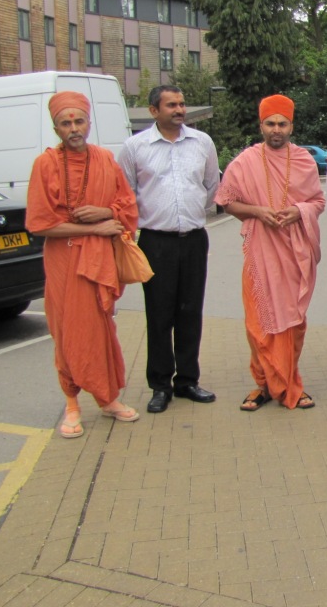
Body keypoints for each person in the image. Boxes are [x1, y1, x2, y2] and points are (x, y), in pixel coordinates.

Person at [26, 91, 141, 438]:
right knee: (68, 331)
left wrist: (105, 212)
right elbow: (39, 224)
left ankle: (108, 399)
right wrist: (93, 228)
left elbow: (128, 206)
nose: (74, 128)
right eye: (66, 123)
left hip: (99, 259)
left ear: (89, 123)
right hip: (64, 261)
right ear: (56, 128)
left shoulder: (105, 159)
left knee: (101, 329)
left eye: (79, 121)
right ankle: (72, 404)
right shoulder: (45, 164)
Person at [215, 95, 324, 411]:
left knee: (293, 323)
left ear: (292, 126)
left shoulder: (304, 160)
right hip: (259, 254)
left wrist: (297, 211)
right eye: (270, 124)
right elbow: (227, 202)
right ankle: (263, 385)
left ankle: (289, 383)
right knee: (258, 323)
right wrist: (257, 212)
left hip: (294, 254)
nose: (277, 129)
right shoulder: (245, 161)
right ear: (261, 125)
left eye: (282, 124)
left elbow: (318, 202)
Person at [119, 85, 219, 414]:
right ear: (153, 110)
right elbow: (126, 193)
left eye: (182, 104)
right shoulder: (135, 147)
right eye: (171, 105)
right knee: (159, 315)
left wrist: (191, 213)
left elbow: (211, 186)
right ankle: (160, 385)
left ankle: (187, 380)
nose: (179, 110)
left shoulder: (202, 142)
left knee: (190, 312)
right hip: (155, 242)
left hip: (194, 239)